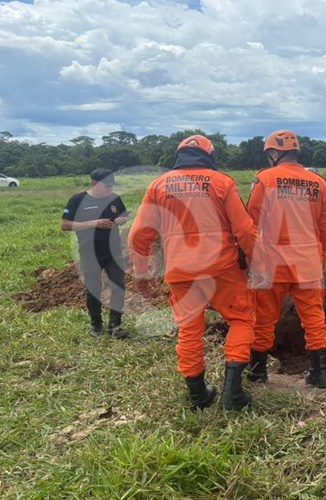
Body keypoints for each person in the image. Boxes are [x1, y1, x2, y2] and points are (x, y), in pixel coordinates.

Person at [128, 135, 265, 411]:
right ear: (210, 157)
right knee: (241, 320)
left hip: (181, 271)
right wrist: (258, 262)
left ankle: (198, 395)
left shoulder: (158, 186)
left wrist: (141, 273)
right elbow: (245, 229)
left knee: (189, 330)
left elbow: (139, 235)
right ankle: (233, 392)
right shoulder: (222, 182)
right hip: (223, 269)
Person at [246, 130, 326, 388]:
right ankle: (320, 374)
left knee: (263, 318)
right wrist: (324, 255)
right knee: (314, 318)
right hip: (308, 263)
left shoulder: (265, 179)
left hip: (272, 264)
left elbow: (251, 222)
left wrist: (249, 257)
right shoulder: (319, 183)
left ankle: (257, 372)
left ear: (274, 154)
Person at [61, 168, 130, 339]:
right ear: (94, 183)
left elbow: (122, 216)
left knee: (119, 286)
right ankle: (96, 325)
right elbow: (65, 225)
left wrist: (122, 220)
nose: (110, 189)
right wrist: (94, 223)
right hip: (90, 252)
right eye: (106, 186)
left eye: (111, 186)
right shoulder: (78, 200)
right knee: (93, 289)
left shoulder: (114, 199)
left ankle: (115, 325)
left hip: (113, 251)